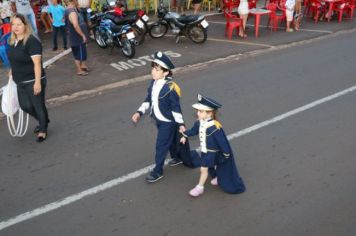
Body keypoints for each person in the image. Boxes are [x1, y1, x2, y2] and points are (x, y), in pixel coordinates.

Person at [132, 51, 186, 183]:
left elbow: (176, 109)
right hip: (159, 120)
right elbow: (148, 99)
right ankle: (177, 157)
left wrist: (181, 124)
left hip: (168, 122)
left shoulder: (171, 88)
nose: (153, 72)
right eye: (153, 68)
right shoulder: (153, 83)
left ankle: (158, 171)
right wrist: (139, 112)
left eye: (157, 70)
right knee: (172, 140)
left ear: (166, 72)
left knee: (161, 145)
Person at [180, 94, 246, 197]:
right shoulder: (199, 122)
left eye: (200, 111)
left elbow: (222, 142)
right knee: (213, 167)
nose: (197, 113)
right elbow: (193, 131)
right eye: (198, 111)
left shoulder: (214, 127)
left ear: (209, 113)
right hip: (205, 151)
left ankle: (199, 188)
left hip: (212, 153)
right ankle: (217, 177)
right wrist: (184, 135)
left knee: (204, 169)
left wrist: (226, 154)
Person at [7, 14, 49, 142]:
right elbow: (14, 59)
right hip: (19, 81)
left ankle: (43, 129)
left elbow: (37, 63)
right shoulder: (12, 41)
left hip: (32, 80)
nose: (16, 27)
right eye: (13, 24)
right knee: (25, 106)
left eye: (19, 24)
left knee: (37, 106)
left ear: (25, 25)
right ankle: (44, 120)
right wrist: (12, 70)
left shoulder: (31, 41)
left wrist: (37, 83)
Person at [65, 0, 89, 76]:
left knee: (80, 53)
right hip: (77, 37)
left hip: (74, 36)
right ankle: (79, 70)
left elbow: (65, 22)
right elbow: (75, 25)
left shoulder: (68, 10)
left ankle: (83, 66)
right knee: (79, 54)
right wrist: (82, 35)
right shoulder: (72, 12)